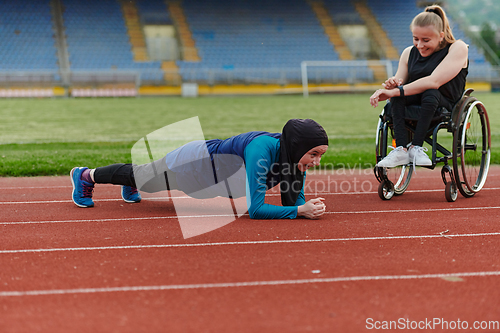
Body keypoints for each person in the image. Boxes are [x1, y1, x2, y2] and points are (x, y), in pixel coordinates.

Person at [70, 118, 329, 220]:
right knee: (145, 179)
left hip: (210, 181)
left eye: (320, 155)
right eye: (314, 154)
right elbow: (256, 209)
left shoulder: (295, 159)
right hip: (195, 164)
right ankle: (85, 175)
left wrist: (306, 208)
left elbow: (293, 199)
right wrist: (298, 211)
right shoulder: (261, 149)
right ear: (296, 146)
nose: (316, 161)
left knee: (147, 178)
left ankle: (135, 179)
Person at [370, 4, 468, 168]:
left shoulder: (458, 48)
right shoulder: (408, 52)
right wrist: (392, 85)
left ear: (441, 36)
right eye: (416, 39)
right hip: (418, 101)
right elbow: (400, 83)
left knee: (429, 91)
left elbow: (434, 81)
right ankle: (401, 149)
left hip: (443, 104)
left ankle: (416, 147)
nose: (420, 45)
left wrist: (396, 91)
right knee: (398, 95)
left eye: (426, 40)